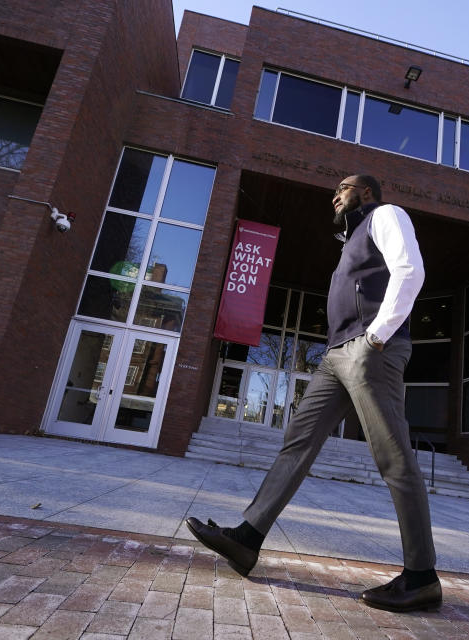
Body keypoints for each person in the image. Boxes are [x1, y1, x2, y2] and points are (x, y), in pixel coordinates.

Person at [187, 174, 441, 612]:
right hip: (337, 354)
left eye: (342, 188)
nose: (334, 196)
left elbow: (410, 270)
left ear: (365, 192)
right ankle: (247, 538)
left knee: (394, 457)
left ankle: (421, 576)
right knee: (297, 441)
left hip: (370, 350)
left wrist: (377, 337)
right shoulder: (349, 240)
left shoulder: (385, 215)